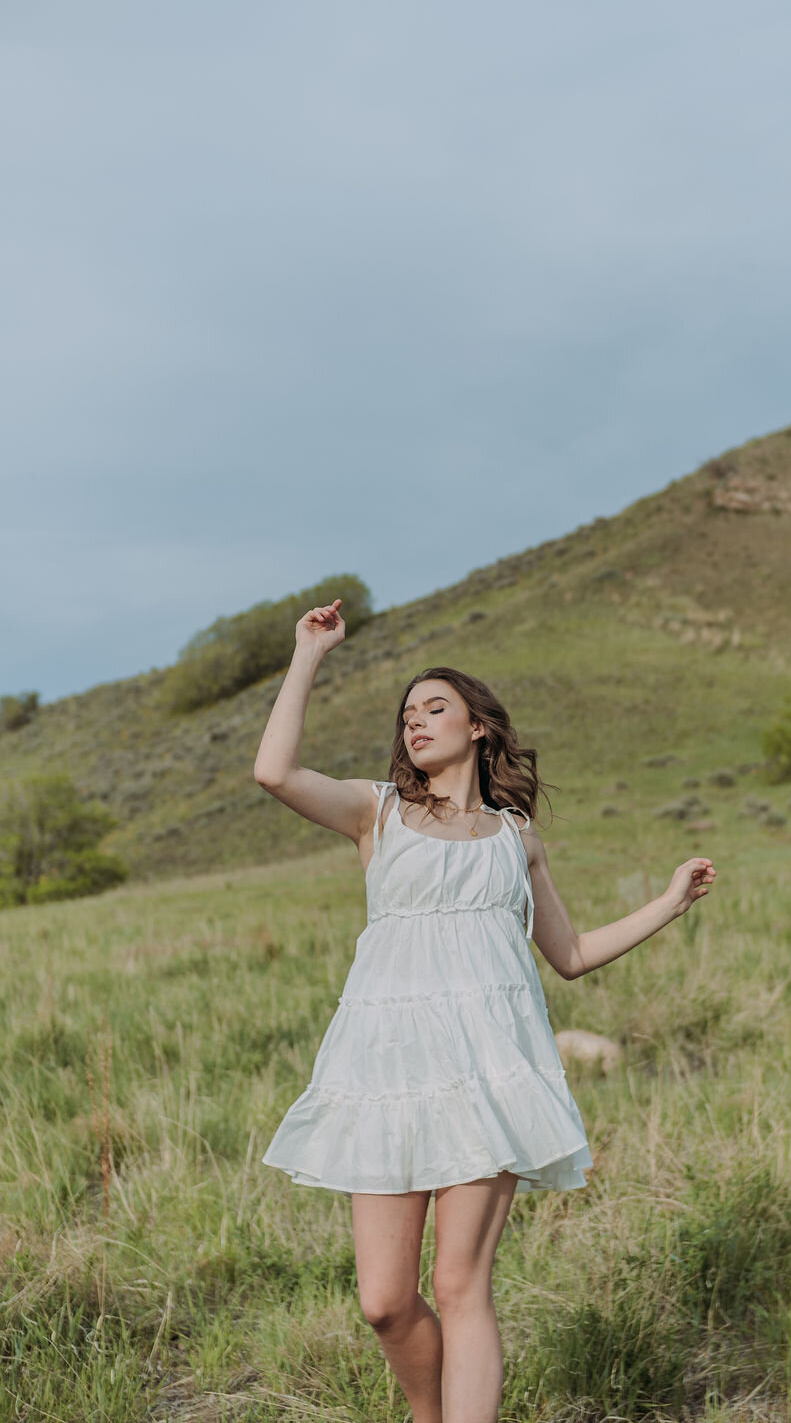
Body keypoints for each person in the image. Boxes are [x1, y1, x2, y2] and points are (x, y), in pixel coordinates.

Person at [255, 597, 716, 1423]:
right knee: (385, 1302)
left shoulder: (517, 838)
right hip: (389, 1075)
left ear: (478, 729)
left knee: (460, 1284)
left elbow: (569, 957)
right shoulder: (378, 813)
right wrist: (308, 655)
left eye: (435, 708)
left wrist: (669, 904)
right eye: (406, 716)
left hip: (491, 1074)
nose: (415, 724)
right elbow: (274, 773)